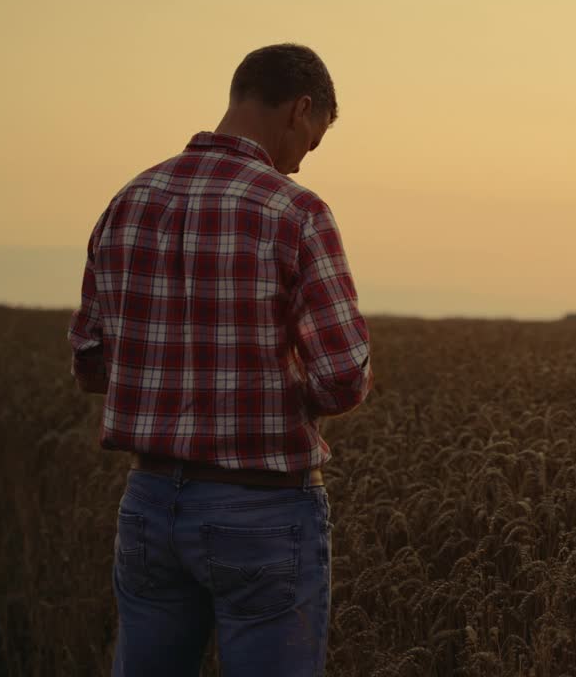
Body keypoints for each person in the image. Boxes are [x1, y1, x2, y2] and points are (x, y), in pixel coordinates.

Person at [67, 43, 372, 677]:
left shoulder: (129, 199)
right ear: (300, 109)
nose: (300, 161)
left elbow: (91, 361)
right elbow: (341, 377)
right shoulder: (296, 213)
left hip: (149, 504)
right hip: (260, 511)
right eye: (311, 140)